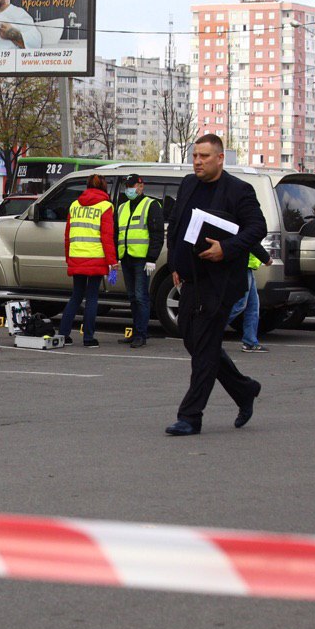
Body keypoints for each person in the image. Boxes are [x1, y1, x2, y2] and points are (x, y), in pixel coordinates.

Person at [165, 134, 267, 436]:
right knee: (193, 340)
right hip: (190, 279)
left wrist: (227, 248)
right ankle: (244, 389)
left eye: (204, 156)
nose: (198, 161)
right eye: (195, 155)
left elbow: (257, 228)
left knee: (205, 345)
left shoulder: (239, 191)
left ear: (220, 158)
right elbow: (178, 225)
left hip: (221, 282)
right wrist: (175, 263)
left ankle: (190, 416)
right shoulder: (188, 184)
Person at [57, 174, 117, 347]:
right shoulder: (106, 206)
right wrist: (112, 262)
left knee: (76, 296)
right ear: (103, 186)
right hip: (95, 257)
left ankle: (63, 334)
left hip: (77, 256)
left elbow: (67, 235)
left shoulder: (74, 205)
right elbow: (107, 237)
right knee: (91, 298)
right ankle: (88, 338)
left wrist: (69, 256)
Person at [114, 174, 163, 348]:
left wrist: (152, 258)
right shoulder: (122, 207)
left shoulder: (151, 205)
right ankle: (136, 331)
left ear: (141, 187)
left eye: (132, 186)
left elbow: (157, 234)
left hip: (142, 259)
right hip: (126, 257)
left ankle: (141, 334)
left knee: (141, 297)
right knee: (133, 297)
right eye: (127, 186)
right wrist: (115, 256)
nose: (129, 189)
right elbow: (117, 233)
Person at [227, 253, 268, 352]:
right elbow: (251, 242)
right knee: (240, 304)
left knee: (252, 305)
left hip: (247, 265)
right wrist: (265, 257)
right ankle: (209, 330)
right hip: (242, 264)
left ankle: (250, 342)